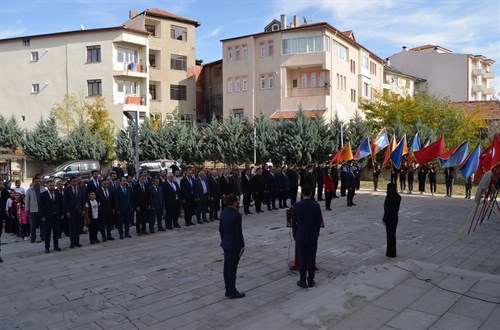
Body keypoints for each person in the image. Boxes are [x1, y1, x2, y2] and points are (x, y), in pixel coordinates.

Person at [292, 185, 322, 288]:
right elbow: (318, 222)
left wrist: (295, 234)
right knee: (311, 257)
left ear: (302, 194)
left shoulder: (296, 206)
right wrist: (317, 233)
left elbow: (294, 222)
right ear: (311, 193)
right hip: (312, 234)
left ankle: (302, 280)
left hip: (300, 234)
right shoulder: (316, 205)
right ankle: (310, 280)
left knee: (302, 258)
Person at [219, 193, 245, 299]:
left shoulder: (223, 212)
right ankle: (232, 291)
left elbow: (221, 229)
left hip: (226, 242)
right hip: (234, 244)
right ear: (234, 202)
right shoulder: (236, 215)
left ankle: (228, 289)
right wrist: (242, 246)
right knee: (232, 268)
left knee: (227, 267)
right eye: (238, 200)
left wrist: (224, 239)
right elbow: (238, 232)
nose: (239, 202)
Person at [39, 180, 64, 253]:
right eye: (50, 185)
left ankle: (56, 246)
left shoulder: (58, 193)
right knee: (47, 233)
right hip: (47, 217)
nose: (52, 187)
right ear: (47, 186)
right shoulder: (43, 194)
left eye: (53, 185)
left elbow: (61, 204)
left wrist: (62, 214)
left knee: (56, 232)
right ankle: (47, 247)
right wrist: (42, 216)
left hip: (56, 216)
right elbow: (40, 206)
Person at [64, 176, 85, 248]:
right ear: (70, 182)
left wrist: (83, 209)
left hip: (79, 210)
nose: (75, 183)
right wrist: (67, 211)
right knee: (72, 227)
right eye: (73, 181)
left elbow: (82, 200)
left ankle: (77, 241)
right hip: (71, 211)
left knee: (78, 227)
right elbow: (65, 202)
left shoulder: (80, 188)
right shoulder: (67, 190)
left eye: (76, 181)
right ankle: (72, 242)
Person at [382, 183, 401, 258]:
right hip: (395, 217)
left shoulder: (389, 197)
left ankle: (390, 252)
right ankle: (393, 251)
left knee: (389, 235)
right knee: (393, 235)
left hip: (389, 218)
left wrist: (384, 218)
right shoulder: (398, 197)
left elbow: (387, 209)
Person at [26, 175, 46, 243]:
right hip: (33, 210)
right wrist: (27, 209)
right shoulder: (29, 190)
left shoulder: (43, 189)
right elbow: (27, 201)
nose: (37, 182)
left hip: (42, 210)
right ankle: (33, 238)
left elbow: (46, 200)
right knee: (33, 225)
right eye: (36, 181)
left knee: (42, 225)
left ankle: (43, 237)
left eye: (39, 181)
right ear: (33, 182)